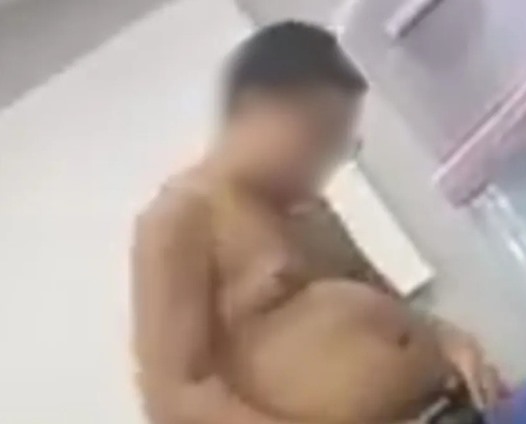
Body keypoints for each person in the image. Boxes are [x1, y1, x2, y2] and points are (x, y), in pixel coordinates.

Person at [132, 21, 503, 424]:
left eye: (339, 143)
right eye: (319, 133)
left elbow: (386, 299)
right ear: (258, 108)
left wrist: (450, 340)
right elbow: (176, 398)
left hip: (450, 402)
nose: (326, 159)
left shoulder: (311, 208)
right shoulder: (180, 219)